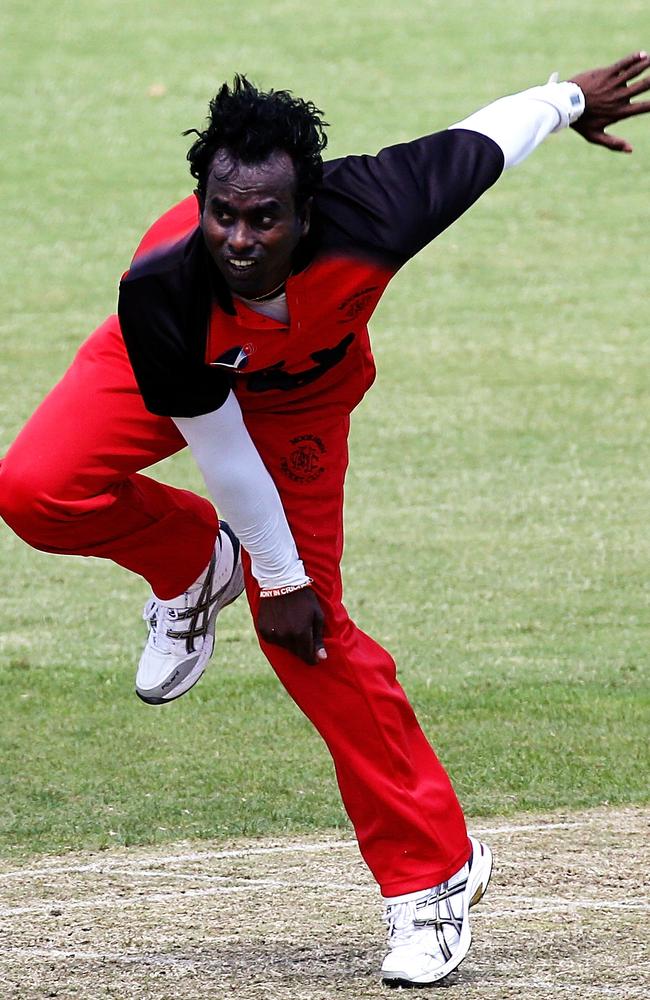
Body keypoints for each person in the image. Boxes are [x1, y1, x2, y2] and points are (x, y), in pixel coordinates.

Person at [1, 51, 648, 987]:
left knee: (308, 638)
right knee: (31, 488)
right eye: (223, 213)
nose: (240, 237)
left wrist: (569, 98)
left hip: (301, 405)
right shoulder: (164, 288)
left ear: (310, 208)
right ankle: (193, 566)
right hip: (188, 382)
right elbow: (220, 451)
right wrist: (273, 570)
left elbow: (486, 141)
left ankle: (434, 876)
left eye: (266, 217)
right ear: (201, 204)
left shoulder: (381, 208)